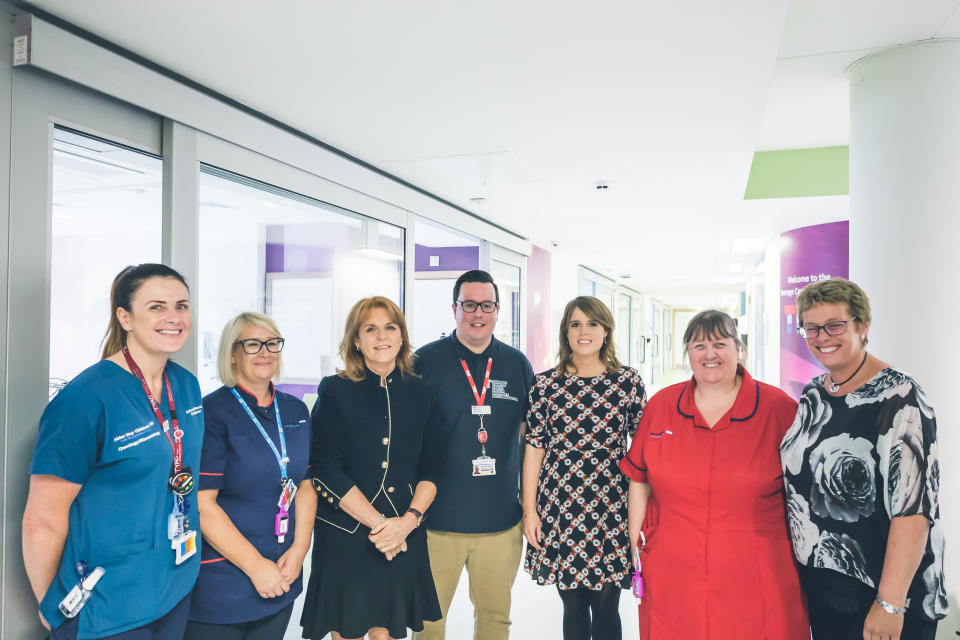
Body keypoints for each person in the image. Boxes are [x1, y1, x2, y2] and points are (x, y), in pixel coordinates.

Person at [22, 263, 203, 640]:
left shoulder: (185, 386)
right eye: (157, 307)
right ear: (125, 317)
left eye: (181, 306)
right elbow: (42, 520)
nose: (174, 317)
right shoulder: (85, 399)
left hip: (174, 586)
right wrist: (54, 607)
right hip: (106, 605)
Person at [619, 309, 809, 639]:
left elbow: (806, 493)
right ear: (687, 353)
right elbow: (639, 477)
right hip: (672, 569)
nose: (709, 354)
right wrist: (631, 544)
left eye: (720, 344)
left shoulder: (778, 409)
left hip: (757, 570)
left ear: (739, 349)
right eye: (698, 345)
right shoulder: (662, 406)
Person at [781, 278, 948, 640]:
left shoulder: (900, 398)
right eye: (811, 328)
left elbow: (914, 512)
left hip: (883, 592)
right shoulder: (815, 393)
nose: (822, 336)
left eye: (835, 325)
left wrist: (890, 603)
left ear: (863, 324)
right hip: (827, 585)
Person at [301, 296, 444, 640]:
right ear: (356, 340)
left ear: (401, 336)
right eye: (371, 328)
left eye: (390, 327)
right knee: (347, 631)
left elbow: (435, 467)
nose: (382, 336)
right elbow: (324, 467)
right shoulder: (335, 389)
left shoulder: (423, 392)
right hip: (346, 534)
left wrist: (407, 522)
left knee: (389, 632)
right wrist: (381, 526)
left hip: (404, 529)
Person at [413, 270, 535, 640]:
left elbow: (532, 438)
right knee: (428, 624)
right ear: (454, 308)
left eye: (486, 305)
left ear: (498, 310)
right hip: (436, 522)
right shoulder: (424, 362)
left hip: (500, 520)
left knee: (495, 620)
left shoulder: (517, 365)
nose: (477, 314)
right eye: (469, 305)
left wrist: (529, 503)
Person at [184, 312, 315, 639]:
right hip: (225, 582)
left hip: (283, 573)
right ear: (232, 353)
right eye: (252, 344)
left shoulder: (296, 411)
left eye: (272, 343)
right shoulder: (213, 413)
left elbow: (305, 486)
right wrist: (257, 568)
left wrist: (299, 549)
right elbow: (203, 504)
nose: (265, 351)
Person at [522, 296, 646, 640]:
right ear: (566, 332)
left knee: (607, 606)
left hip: (611, 505)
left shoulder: (628, 382)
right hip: (560, 505)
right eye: (575, 324)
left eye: (592, 323)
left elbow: (645, 450)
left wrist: (643, 512)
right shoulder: (545, 385)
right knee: (573, 606)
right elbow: (534, 449)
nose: (584, 331)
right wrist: (530, 511)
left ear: (606, 330)